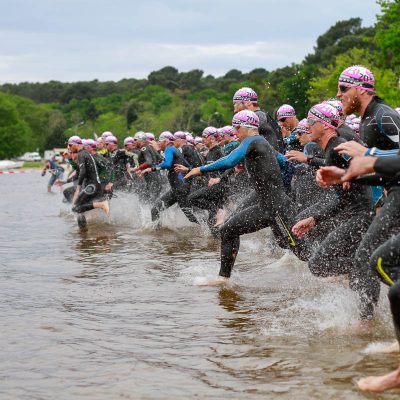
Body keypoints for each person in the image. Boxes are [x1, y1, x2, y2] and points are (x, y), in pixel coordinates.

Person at [184, 110, 306, 285]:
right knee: (228, 230)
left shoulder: (252, 140)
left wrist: (200, 169)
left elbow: (229, 160)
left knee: (300, 249)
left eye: (236, 129)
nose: (235, 134)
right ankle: (223, 278)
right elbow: (285, 163)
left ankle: (335, 271)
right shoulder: (262, 143)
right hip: (266, 207)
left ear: (243, 127)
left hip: (277, 207)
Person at [292, 103, 374, 294]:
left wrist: (349, 174)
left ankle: (370, 264)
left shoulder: (338, 146)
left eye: (311, 121)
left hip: (361, 216)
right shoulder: (330, 151)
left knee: (318, 264)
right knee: (354, 279)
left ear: (327, 125)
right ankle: (368, 319)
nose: (307, 125)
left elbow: (369, 165)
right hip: (354, 214)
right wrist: (315, 219)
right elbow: (342, 199)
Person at [67, 135, 111, 229]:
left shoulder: (82, 154)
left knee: (75, 207)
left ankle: (101, 204)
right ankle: (83, 232)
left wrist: (78, 188)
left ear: (75, 144)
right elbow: (79, 171)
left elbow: (83, 172)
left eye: (70, 145)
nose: (69, 148)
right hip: (95, 185)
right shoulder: (85, 153)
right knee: (79, 209)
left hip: (92, 186)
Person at [233, 87, 283, 151]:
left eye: (235, 104)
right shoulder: (264, 117)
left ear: (248, 102)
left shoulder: (256, 117)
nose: (235, 110)